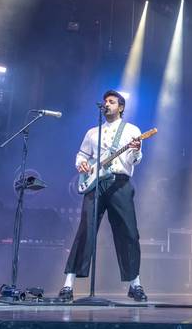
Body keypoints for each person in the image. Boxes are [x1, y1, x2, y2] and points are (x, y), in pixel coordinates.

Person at [58, 90, 147, 302]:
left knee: (129, 232)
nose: (107, 104)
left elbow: (136, 159)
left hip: (120, 183)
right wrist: (81, 164)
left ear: (121, 107)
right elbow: (82, 154)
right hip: (95, 184)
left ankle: (135, 284)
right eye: (105, 101)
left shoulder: (132, 130)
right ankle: (68, 285)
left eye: (112, 101)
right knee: (85, 230)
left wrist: (135, 150)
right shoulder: (92, 133)